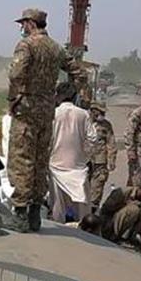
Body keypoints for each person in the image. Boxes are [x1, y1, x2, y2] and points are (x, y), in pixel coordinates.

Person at [5, 8, 82, 232]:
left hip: (26, 111)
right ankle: (34, 214)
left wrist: (14, 98)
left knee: (21, 159)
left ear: (30, 23)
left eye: (24, 24)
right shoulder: (57, 48)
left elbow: (16, 74)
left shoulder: (26, 45)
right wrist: (65, 93)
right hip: (47, 111)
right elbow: (77, 71)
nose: (22, 28)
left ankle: (19, 213)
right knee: (40, 160)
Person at [46, 81, 90, 223]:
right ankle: (85, 230)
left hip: (56, 166)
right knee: (82, 206)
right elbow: (93, 138)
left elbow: (47, 139)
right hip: (78, 168)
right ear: (74, 97)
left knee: (58, 207)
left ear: (57, 96)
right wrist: (85, 156)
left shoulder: (53, 114)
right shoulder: (83, 114)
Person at [96, 180, 141, 260]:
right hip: (109, 226)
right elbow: (105, 212)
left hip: (127, 231)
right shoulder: (122, 192)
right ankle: (117, 238)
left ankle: (128, 238)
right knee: (134, 210)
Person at [85, 101, 115, 207]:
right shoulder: (84, 121)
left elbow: (111, 143)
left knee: (97, 185)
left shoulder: (106, 125)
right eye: (100, 112)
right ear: (93, 111)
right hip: (84, 159)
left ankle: (93, 207)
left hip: (99, 160)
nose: (102, 115)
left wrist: (111, 160)